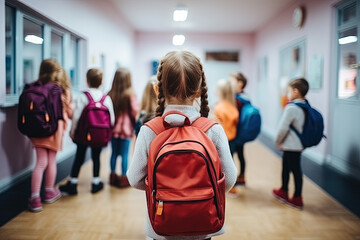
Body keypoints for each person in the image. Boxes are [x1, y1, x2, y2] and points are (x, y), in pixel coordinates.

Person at [127, 51, 237, 240]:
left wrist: (165, 190)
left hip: (161, 226)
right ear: (199, 91)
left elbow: (134, 178)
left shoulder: (149, 131)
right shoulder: (213, 130)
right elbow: (229, 180)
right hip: (204, 225)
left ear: (157, 90)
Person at [59, 68, 115, 195]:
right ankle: (96, 183)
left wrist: (73, 132)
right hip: (99, 134)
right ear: (101, 82)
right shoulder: (106, 98)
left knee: (79, 156)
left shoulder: (82, 97)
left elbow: (76, 117)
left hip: (84, 133)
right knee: (96, 157)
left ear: (87, 80)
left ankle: (73, 183)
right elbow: (112, 119)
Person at [28, 59, 73, 212]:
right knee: (51, 160)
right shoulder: (60, 89)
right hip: (55, 129)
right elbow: (69, 111)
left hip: (36, 129)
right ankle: (49, 191)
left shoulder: (33, 87)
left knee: (40, 162)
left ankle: (34, 198)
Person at [272, 78, 308, 209]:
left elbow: (283, 128)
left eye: (288, 91)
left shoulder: (291, 108)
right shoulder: (305, 106)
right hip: (297, 145)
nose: (287, 94)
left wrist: (277, 141)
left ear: (296, 91)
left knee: (294, 171)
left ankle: (297, 197)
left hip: (290, 145)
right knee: (288, 168)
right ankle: (284, 190)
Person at [108, 68, 139, 188]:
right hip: (126, 130)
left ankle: (112, 175)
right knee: (125, 154)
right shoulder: (131, 95)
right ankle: (123, 178)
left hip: (113, 129)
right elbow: (134, 111)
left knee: (114, 153)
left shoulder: (110, 94)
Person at [213, 78, 239, 195]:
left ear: (221, 92)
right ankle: (233, 186)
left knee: (221, 164)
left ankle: (222, 185)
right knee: (230, 162)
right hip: (232, 139)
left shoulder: (218, 108)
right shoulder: (233, 107)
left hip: (222, 140)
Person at [230, 72, 249, 185]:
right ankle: (242, 176)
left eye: (232, 81)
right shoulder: (246, 97)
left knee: (231, 155)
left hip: (234, 131)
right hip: (241, 131)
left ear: (240, 83)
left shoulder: (237, 99)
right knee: (241, 154)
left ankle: (232, 180)